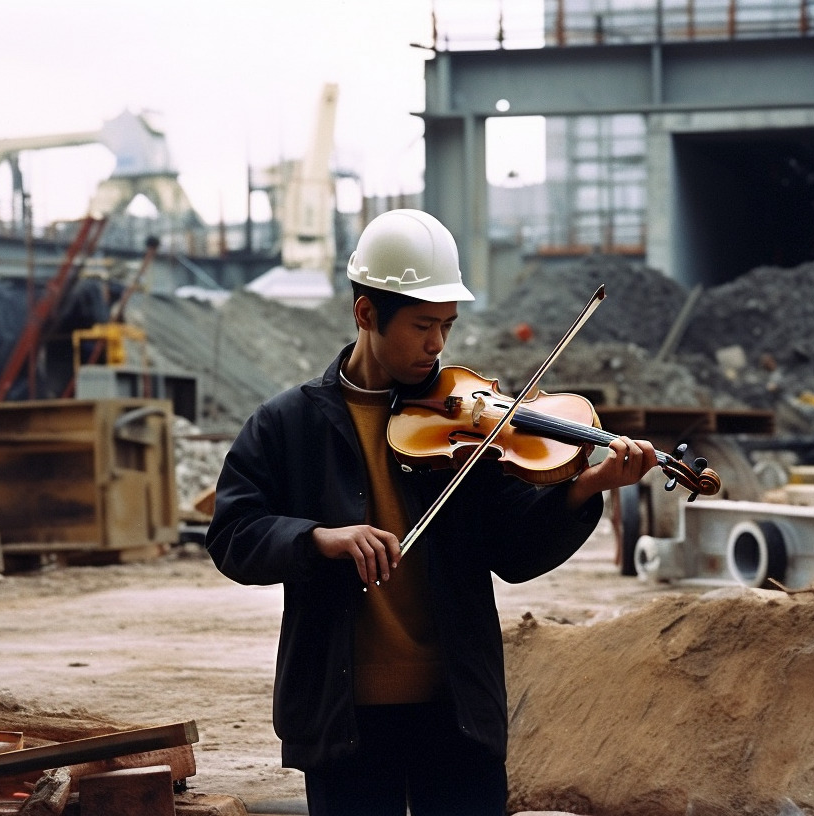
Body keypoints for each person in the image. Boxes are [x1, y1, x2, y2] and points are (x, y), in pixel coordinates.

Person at [206, 208, 657, 815]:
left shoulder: (465, 418)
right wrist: (317, 540)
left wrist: (582, 488)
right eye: (422, 325)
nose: (437, 344)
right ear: (366, 313)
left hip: (457, 714)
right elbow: (233, 534)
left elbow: (514, 552)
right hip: (343, 721)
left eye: (446, 325)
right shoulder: (288, 424)